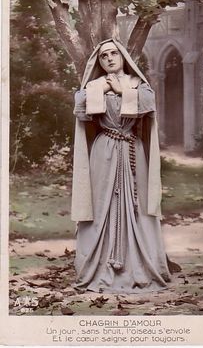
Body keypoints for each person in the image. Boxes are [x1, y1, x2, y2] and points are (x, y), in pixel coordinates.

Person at [71, 38, 171, 293]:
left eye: (114, 53)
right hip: (104, 151)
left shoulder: (137, 84)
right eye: (104, 56)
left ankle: (138, 265)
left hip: (131, 148)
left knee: (136, 206)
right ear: (99, 62)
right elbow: (81, 108)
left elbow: (148, 105)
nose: (109, 59)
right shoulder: (93, 86)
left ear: (123, 56)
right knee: (102, 204)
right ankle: (99, 266)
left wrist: (120, 90)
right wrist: (104, 90)